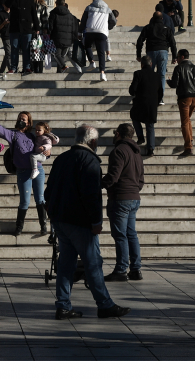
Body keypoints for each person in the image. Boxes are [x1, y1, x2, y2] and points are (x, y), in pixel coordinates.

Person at [44, 124, 130, 320]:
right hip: (79, 221)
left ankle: (63, 305)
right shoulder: (90, 160)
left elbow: (49, 190)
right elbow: (92, 195)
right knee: (93, 263)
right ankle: (104, 304)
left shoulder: (62, 158)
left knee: (66, 263)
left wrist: (51, 209)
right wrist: (96, 221)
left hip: (61, 219)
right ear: (93, 142)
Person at [0, 112, 48, 236]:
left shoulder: (33, 136)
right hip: (23, 172)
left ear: (29, 123)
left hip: (38, 170)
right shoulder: (13, 135)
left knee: (40, 199)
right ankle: (19, 227)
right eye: (20, 118)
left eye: (24, 119)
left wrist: (48, 151)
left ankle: (43, 226)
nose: (21, 120)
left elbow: (45, 145)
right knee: (25, 201)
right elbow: (2, 131)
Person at [101, 123, 145, 282]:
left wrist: (99, 184)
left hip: (121, 198)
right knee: (131, 234)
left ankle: (121, 270)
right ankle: (136, 269)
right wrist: (134, 189)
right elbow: (141, 179)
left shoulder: (119, 151)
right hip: (133, 197)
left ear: (118, 134)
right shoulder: (136, 152)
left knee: (120, 235)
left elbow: (113, 176)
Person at [167, 49, 195, 156]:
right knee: (187, 119)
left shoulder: (179, 68)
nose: (177, 60)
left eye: (178, 57)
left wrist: (168, 81)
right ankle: (191, 138)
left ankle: (188, 147)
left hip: (184, 97)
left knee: (184, 122)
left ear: (182, 57)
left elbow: (174, 84)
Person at [135, 11, 177, 104]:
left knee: (149, 74)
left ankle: (148, 94)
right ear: (162, 18)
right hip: (163, 51)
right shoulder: (167, 28)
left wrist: (138, 54)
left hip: (151, 52)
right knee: (161, 75)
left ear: (153, 18)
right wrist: (174, 56)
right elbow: (173, 43)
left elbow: (140, 41)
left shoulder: (148, 27)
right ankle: (160, 98)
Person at [129, 56, 163, 158]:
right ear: (151, 64)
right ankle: (150, 149)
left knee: (134, 117)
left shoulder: (138, 74)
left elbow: (132, 90)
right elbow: (161, 92)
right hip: (152, 104)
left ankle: (140, 136)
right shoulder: (157, 76)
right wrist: (156, 102)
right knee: (150, 126)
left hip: (140, 103)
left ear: (142, 64)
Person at [5, 0, 39, 76]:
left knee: (26, 48)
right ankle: (13, 67)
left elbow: (34, 15)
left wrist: (37, 27)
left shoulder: (29, 0)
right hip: (15, 28)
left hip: (26, 28)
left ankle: (27, 67)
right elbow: (7, 5)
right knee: (14, 48)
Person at [80, 0, 115, 81]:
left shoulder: (89, 8)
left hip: (90, 30)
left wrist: (80, 32)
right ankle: (102, 73)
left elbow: (83, 21)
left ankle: (92, 62)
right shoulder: (108, 9)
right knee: (101, 53)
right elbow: (113, 21)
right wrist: (107, 27)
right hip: (102, 32)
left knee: (87, 45)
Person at [47, 0, 82, 73]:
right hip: (68, 40)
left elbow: (50, 26)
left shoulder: (53, 13)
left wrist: (49, 34)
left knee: (57, 55)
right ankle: (59, 72)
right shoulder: (70, 15)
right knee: (62, 56)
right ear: (64, 4)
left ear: (56, 4)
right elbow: (73, 28)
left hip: (57, 38)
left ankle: (64, 66)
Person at [29, 0, 50, 73]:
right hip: (29, 30)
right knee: (31, 50)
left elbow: (44, 18)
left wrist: (45, 29)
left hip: (39, 30)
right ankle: (32, 68)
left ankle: (40, 69)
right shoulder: (27, 3)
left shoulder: (41, 5)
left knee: (39, 50)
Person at [0, 5, 12, 80]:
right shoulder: (0, 14)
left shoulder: (13, 13)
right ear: (3, 5)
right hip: (5, 36)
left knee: (8, 54)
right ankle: (11, 68)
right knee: (8, 53)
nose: (8, 6)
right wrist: (4, 23)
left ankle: (1, 71)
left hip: (14, 35)